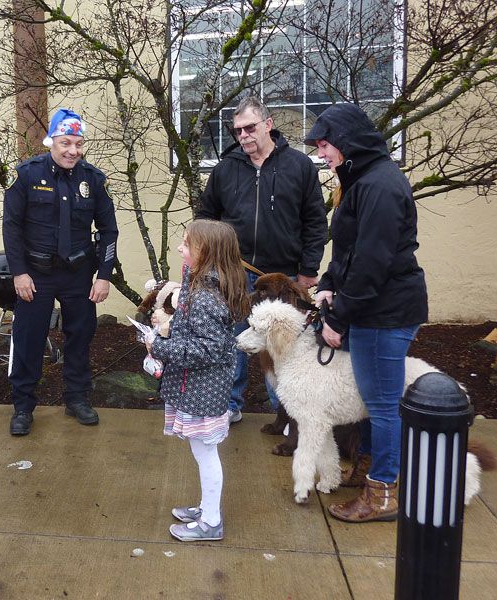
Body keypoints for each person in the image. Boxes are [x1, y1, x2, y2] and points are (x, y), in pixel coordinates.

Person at [305, 103, 428, 523]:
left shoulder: (380, 186)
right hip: (372, 307)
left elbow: (373, 263)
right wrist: (327, 283)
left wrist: (339, 319)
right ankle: (368, 468)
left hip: (385, 312)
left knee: (381, 405)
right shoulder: (361, 181)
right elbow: (349, 251)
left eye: (325, 145)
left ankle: (382, 493)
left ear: (346, 141)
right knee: (373, 399)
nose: (322, 154)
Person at [196, 95, 327, 424]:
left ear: (268, 125)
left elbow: (315, 222)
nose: (243, 136)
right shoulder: (226, 169)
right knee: (232, 341)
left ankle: (287, 414)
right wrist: (209, 263)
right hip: (235, 273)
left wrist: (309, 270)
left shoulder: (299, 166)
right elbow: (206, 219)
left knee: (282, 350)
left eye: (250, 128)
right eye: (237, 131)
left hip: (282, 277)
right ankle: (230, 404)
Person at [3, 108, 119, 436]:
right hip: (35, 275)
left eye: (78, 144)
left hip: (79, 274)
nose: (73, 150)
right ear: (51, 140)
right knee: (28, 339)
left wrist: (104, 275)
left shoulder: (93, 179)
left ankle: (77, 398)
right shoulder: (27, 175)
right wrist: (19, 273)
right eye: (65, 142)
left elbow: (109, 231)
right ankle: (23, 406)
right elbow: (11, 227)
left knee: (80, 336)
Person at [147, 220, 250, 541]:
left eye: (187, 244)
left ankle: (211, 521)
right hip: (199, 389)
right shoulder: (202, 286)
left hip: (201, 392)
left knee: (206, 454)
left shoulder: (206, 297)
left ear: (205, 252)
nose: (180, 248)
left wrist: (158, 345)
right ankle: (207, 507)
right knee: (201, 452)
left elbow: (206, 349)